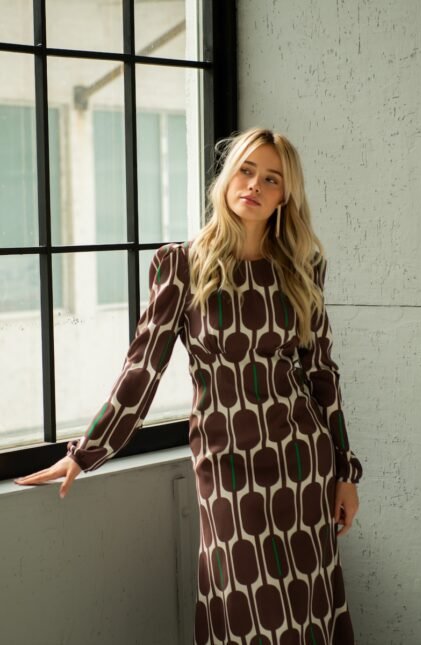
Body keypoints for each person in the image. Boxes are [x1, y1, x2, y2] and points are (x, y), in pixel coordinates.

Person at [16, 126, 363, 644]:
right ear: (228, 176)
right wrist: (85, 452)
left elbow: (321, 374)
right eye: (246, 170)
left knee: (306, 600)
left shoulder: (303, 267)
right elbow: (142, 368)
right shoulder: (181, 265)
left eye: (271, 179)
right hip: (227, 467)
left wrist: (344, 471)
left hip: (300, 461)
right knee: (243, 600)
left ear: (285, 195)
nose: (255, 186)